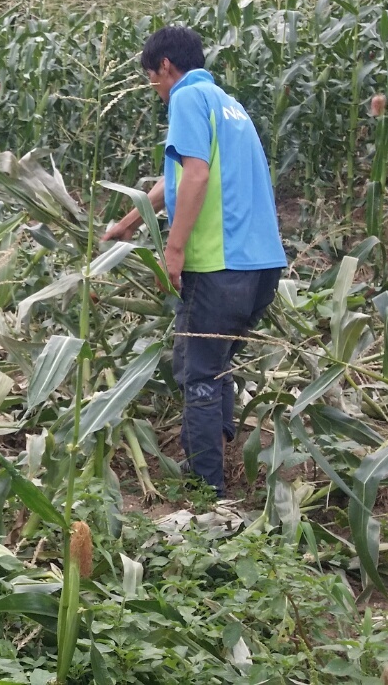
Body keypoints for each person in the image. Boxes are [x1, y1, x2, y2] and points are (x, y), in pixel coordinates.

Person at [102, 25, 287, 498]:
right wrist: (131, 222)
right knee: (218, 364)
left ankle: (207, 493)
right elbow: (185, 173)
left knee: (199, 373)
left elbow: (197, 176)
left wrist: (174, 248)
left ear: (166, 66)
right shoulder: (229, 105)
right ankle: (221, 464)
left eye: (153, 80)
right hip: (262, 266)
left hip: (218, 265)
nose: (157, 92)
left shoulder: (186, 97)